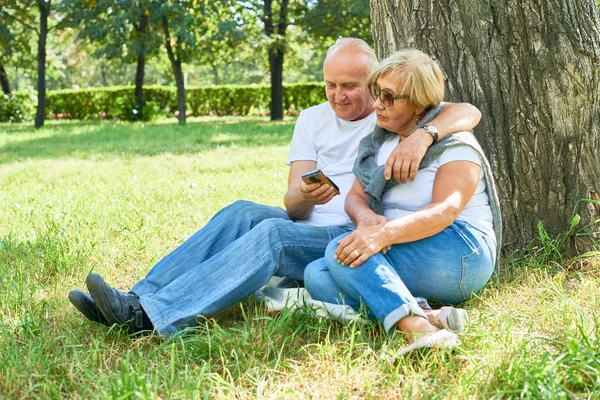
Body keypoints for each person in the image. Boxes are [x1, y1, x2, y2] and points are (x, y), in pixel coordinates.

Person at [68, 39, 483, 337]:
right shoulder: (362, 127)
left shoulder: (402, 123)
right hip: (338, 225)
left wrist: (424, 135)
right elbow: (300, 203)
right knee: (242, 213)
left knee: (272, 235)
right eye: (332, 85)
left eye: (357, 87)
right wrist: (306, 197)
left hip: (356, 233)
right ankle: (137, 300)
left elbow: (462, 112)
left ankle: (152, 317)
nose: (357, 99)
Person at [303, 49, 501, 356]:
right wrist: (367, 218)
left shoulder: (456, 143)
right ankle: (429, 315)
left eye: (389, 96)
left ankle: (417, 330)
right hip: (404, 239)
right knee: (316, 274)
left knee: (339, 252)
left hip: (462, 250)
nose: (377, 103)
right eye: (375, 92)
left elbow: (446, 210)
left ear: (420, 102)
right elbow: (355, 196)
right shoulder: (379, 140)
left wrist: (383, 234)